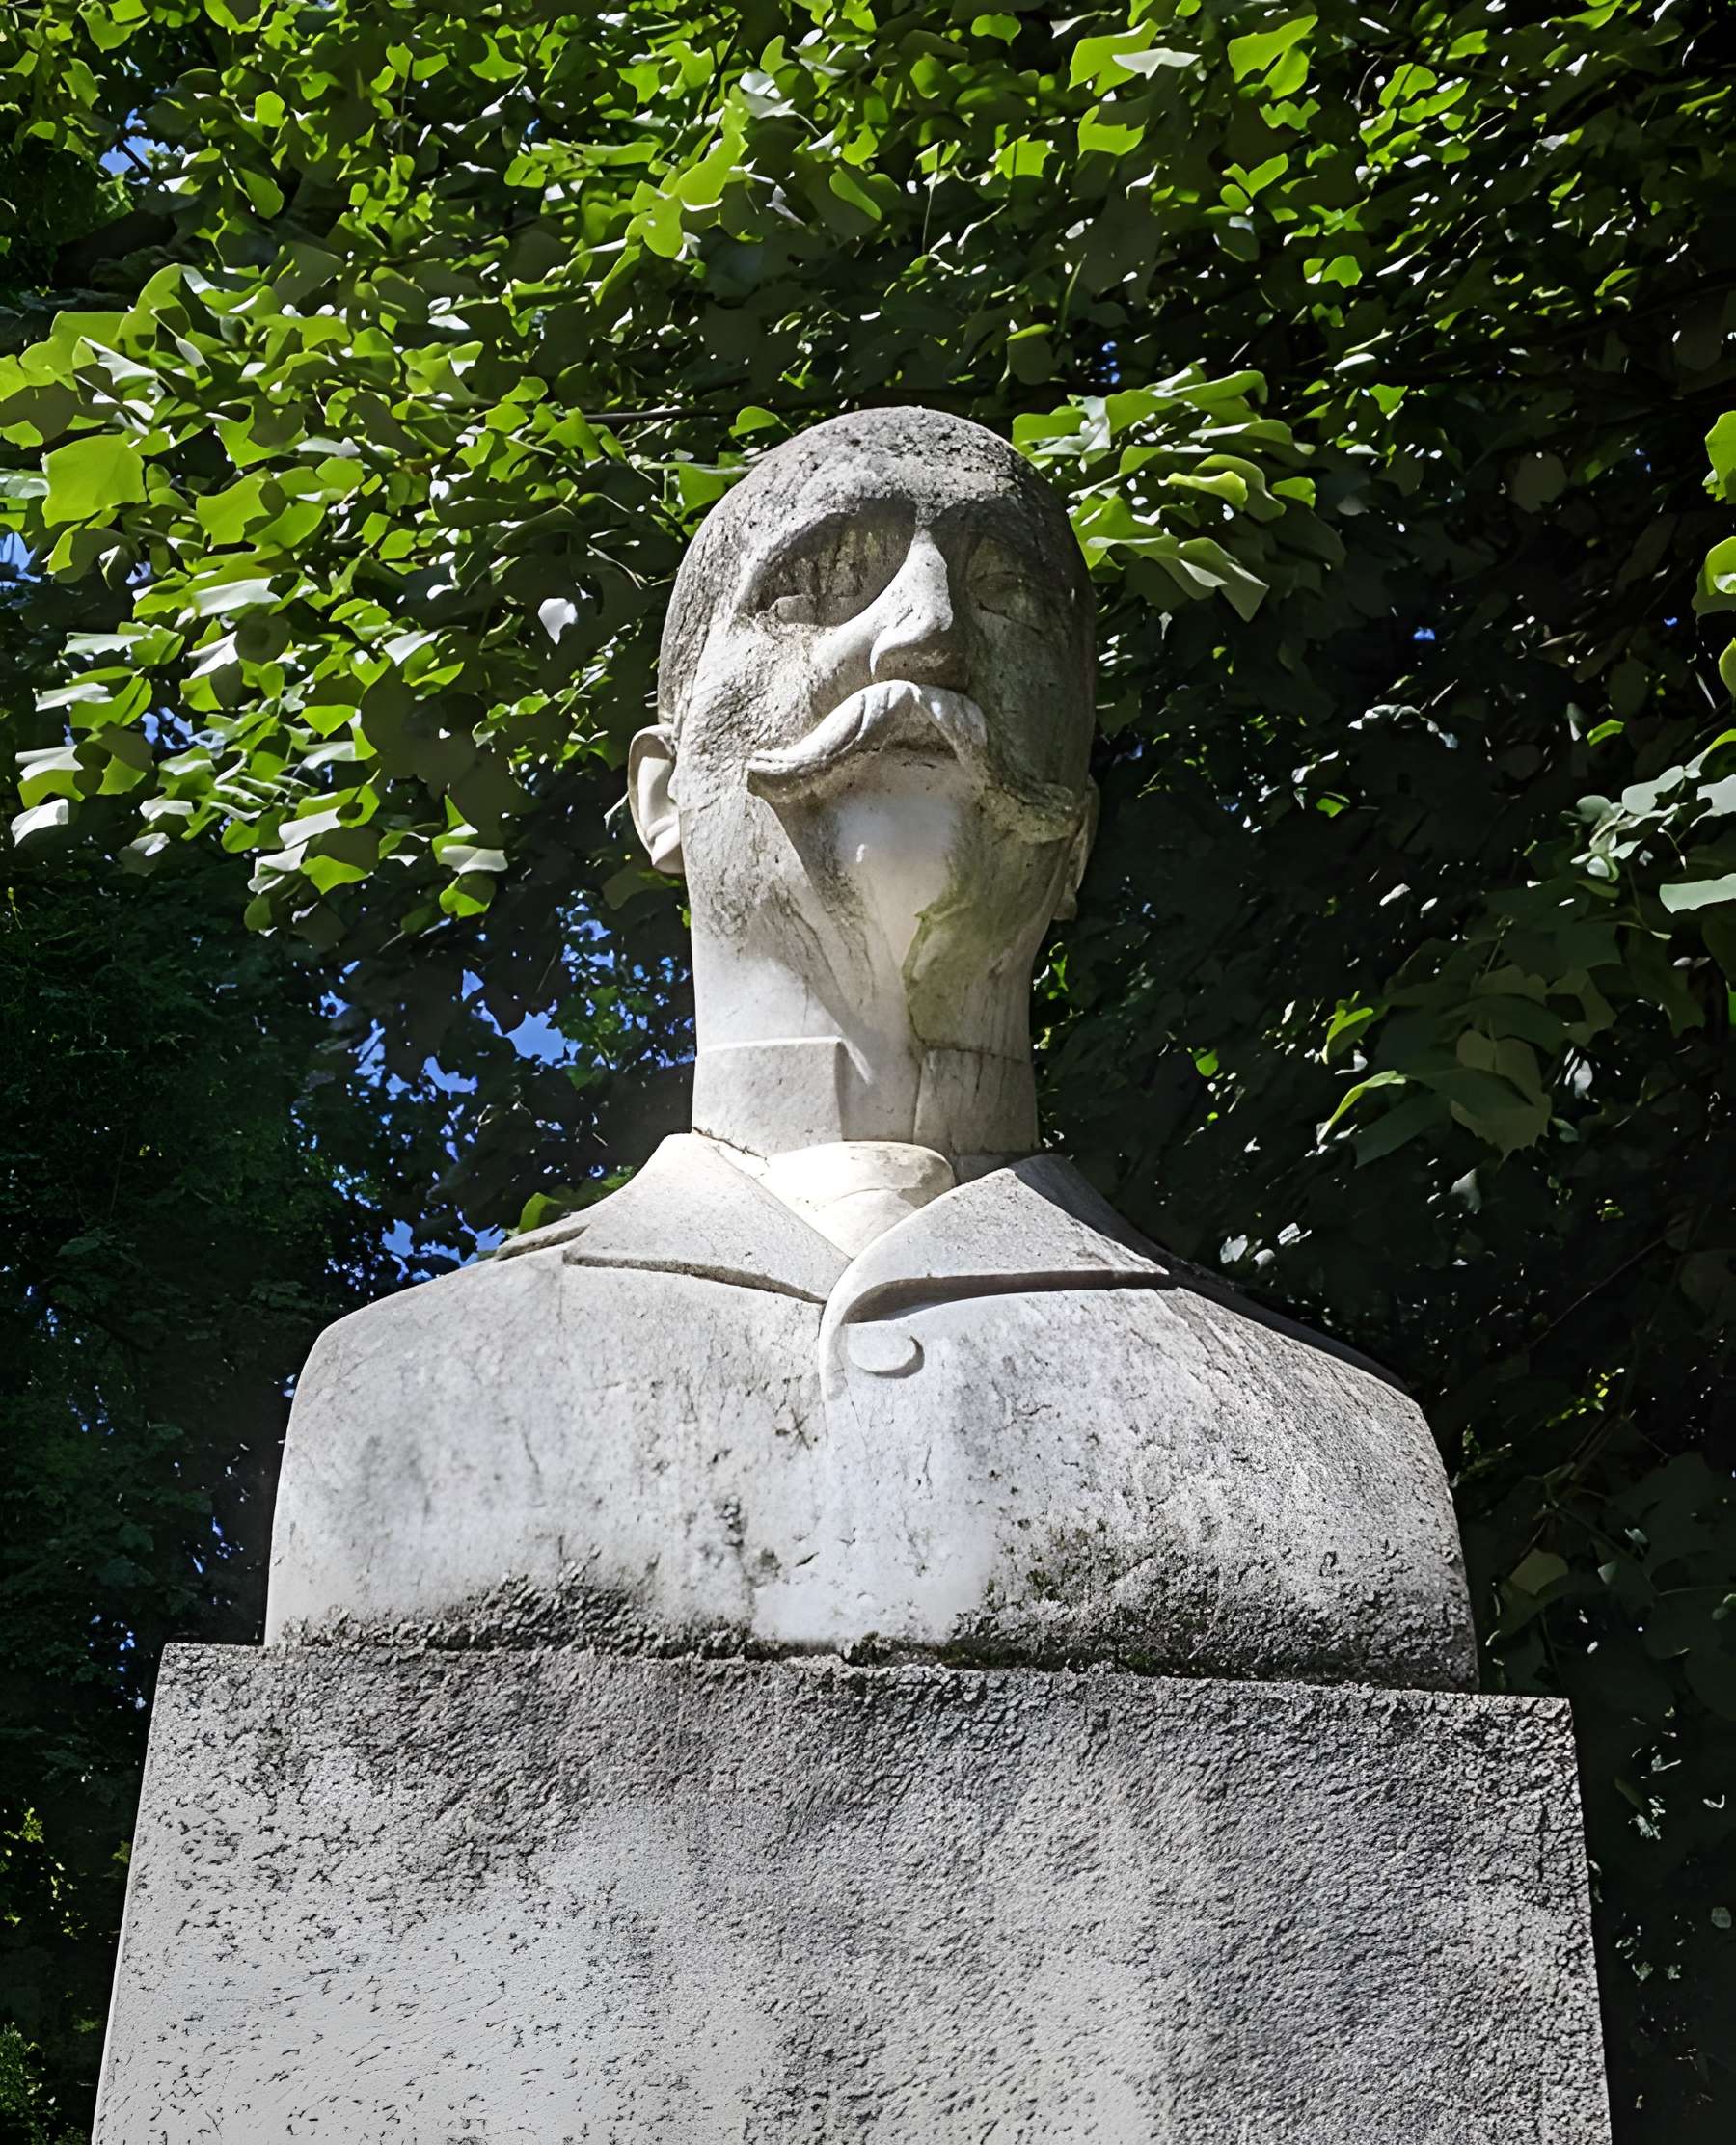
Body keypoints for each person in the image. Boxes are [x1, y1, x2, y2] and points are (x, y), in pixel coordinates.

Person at [267, 409, 1475, 1690]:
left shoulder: (1340, 1450)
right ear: (663, 797)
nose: (927, 629)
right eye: (818, 581)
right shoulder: (401, 1400)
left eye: (1008, 597)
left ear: (1079, 836)